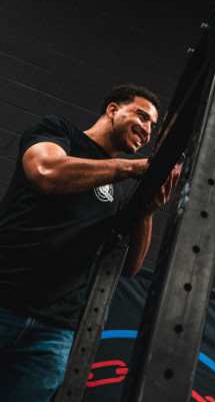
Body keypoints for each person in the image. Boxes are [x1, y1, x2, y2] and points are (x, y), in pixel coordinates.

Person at [0, 84, 179, 401]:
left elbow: (129, 267)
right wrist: (130, 168)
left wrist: (148, 212)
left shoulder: (118, 189)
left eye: (152, 125)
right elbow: (44, 172)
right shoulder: (59, 132)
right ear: (113, 110)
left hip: (53, 330)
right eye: (141, 116)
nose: (147, 130)